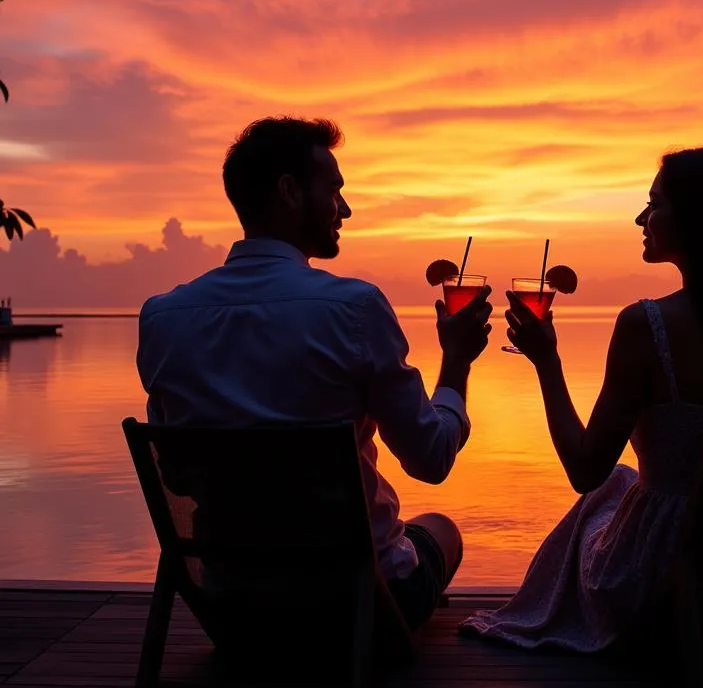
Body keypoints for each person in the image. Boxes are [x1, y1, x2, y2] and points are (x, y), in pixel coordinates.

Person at [460, 146, 703, 661]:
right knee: (621, 483)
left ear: (696, 219)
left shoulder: (646, 327)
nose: (641, 217)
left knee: (602, 491)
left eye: (654, 204)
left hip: (663, 597)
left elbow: (584, 469)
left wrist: (546, 361)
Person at [137, 116, 492, 632]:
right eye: (334, 191)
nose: (345, 209)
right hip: (352, 612)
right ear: (289, 192)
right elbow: (431, 459)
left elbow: (177, 475)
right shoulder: (354, 309)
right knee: (439, 529)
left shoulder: (163, 317)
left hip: (235, 613)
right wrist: (456, 361)